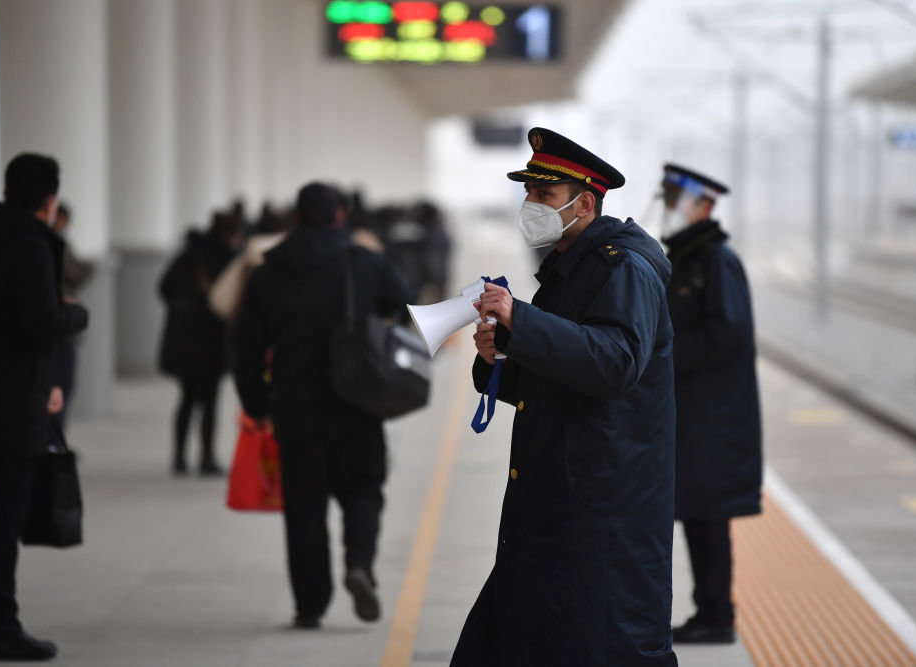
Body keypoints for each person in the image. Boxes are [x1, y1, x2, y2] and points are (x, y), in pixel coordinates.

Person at [453, 128, 678, 666]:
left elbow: (616, 361)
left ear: (585, 201)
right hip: (559, 500)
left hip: (602, 508)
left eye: (544, 194)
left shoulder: (624, 269)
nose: (531, 204)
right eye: (529, 192)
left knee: (609, 644)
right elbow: (567, 369)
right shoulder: (571, 267)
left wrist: (521, 320)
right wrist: (499, 357)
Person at [232, 182, 413, 629]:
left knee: (304, 507)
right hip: (358, 402)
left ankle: (309, 605)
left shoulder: (268, 272)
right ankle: (359, 565)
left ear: (295, 219)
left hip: (295, 407)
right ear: (340, 216)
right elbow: (406, 305)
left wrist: (256, 404)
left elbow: (245, 348)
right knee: (364, 489)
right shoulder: (364, 262)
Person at [0, 153, 89, 661]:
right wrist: (76, 315)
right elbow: (38, 322)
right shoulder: (31, 248)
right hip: (13, 402)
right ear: (49, 201)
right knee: (2, 520)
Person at [659, 164, 762, 644]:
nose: (669, 209)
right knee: (697, 510)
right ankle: (710, 611)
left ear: (705, 207)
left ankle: (717, 615)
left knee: (708, 512)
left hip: (713, 415)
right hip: (694, 410)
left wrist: (661, 355)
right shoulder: (686, 257)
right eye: (668, 200)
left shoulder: (716, 259)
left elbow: (727, 334)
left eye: (677, 201)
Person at [158, 211, 243, 476]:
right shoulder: (226, 260)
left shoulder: (187, 255)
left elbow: (163, 288)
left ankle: (180, 458)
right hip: (210, 340)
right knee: (209, 401)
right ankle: (206, 458)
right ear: (231, 234)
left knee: (186, 399)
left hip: (182, 340)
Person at [49, 201, 94, 432]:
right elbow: (73, 274)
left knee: (59, 388)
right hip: (57, 327)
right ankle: (55, 441)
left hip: (55, 326)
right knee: (60, 387)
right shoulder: (53, 245)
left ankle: (54, 440)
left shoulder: (48, 244)